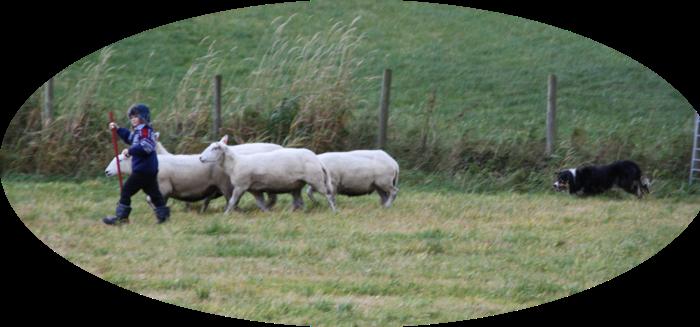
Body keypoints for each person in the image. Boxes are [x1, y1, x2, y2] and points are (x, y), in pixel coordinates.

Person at [102, 104, 170, 225]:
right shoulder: (138, 131)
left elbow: (147, 146)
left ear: (144, 117)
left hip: (143, 169)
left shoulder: (146, 130)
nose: (133, 119)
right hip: (148, 169)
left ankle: (121, 218)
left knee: (126, 191)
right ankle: (163, 217)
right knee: (154, 194)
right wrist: (118, 129)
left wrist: (130, 151)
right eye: (131, 117)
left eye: (136, 116)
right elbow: (129, 138)